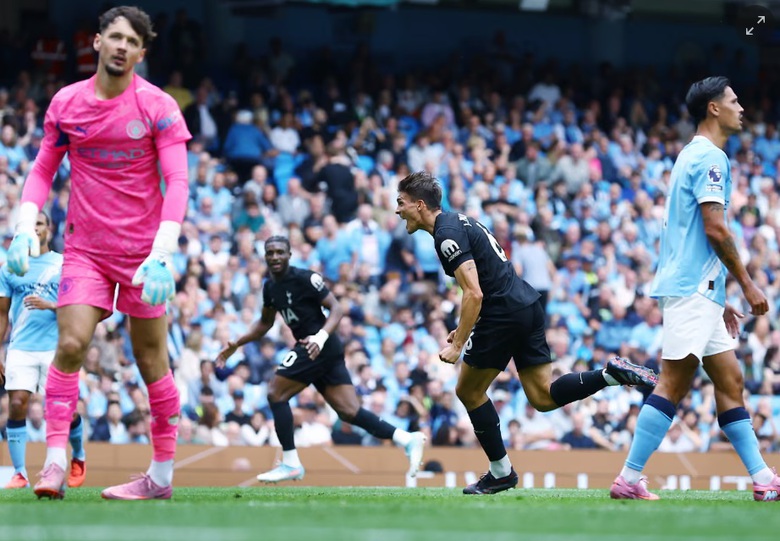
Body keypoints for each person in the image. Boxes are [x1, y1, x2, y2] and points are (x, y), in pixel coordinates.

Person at [7, 6, 190, 500]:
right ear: (97, 41)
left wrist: (163, 252)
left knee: (151, 361)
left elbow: (177, 180)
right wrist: (23, 228)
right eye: (115, 37)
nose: (121, 46)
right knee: (69, 345)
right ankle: (54, 464)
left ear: (141, 53)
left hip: (142, 255)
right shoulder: (67, 103)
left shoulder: (158, 106)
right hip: (85, 249)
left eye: (132, 41)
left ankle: (160, 478)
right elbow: (42, 169)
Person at [394, 171, 657, 495]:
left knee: (469, 392)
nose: (398, 210)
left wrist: (459, 343)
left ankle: (501, 472)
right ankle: (611, 375)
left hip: (501, 314)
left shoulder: (445, 235)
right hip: (526, 305)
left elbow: (474, 293)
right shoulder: (458, 221)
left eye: (401, 202)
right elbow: (483, 282)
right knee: (542, 397)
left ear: (420, 205)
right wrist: (463, 326)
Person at [609, 76, 780, 501]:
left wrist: (718, 296)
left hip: (700, 289)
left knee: (730, 380)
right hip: (693, 288)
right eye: (734, 101)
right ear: (714, 108)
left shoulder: (689, 154)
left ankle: (763, 479)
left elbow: (689, 235)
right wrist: (746, 285)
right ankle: (628, 478)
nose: (742, 108)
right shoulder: (710, 158)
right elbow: (715, 228)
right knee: (673, 382)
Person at [216, 236, 426, 483]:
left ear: (289, 255)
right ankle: (407, 439)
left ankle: (290, 463)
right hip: (319, 349)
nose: (275, 257)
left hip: (318, 345)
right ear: (265, 256)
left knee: (275, 393)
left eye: (280, 252)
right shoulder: (270, 287)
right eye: (270, 252)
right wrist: (237, 342)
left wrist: (320, 337)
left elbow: (337, 308)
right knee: (349, 411)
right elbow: (265, 323)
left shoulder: (306, 279)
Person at [0, 212, 86, 489]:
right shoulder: (10, 268)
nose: (35, 229)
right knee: (16, 404)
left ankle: (79, 455)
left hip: (55, 349)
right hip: (20, 347)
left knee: (65, 411)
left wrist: (51, 305)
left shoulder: (63, 264)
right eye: (30, 225)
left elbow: (79, 307)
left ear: (49, 228)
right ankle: (20, 473)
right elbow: (2, 314)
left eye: (39, 223)